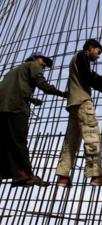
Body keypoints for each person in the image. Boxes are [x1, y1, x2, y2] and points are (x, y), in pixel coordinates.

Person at [55, 39, 102, 188]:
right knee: (92, 137)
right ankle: (95, 174)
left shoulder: (78, 59)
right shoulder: (82, 56)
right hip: (83, 102)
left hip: (73, 103)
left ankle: (63, 176)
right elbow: (88, 76)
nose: (98, 56)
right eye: (98, 52)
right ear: (90, 48)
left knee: (71, 141)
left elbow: (91, 74)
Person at [0, 52, 67, 187]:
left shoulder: (14, 71)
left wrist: (31, 99)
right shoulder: (33, 65)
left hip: (2, 108)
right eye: (43, 61)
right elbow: (42, 83)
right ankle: (25, 175)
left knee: (4, 142)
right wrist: (63, 93)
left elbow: (13, 89)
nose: (44, 65)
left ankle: (2, 173)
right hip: (16, 108)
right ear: (35, 58)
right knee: (18, 141)